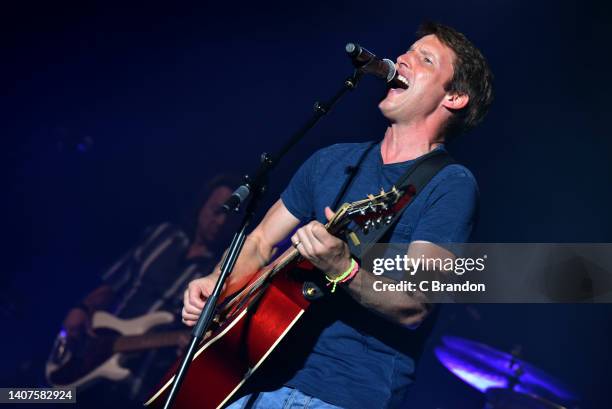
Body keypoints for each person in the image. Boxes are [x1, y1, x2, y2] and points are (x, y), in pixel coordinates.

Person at [182, 22, 493, 409]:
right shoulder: (333, 160)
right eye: (407, 52)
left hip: (342, 394)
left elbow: (417, 306)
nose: (402, 60)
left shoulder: (450, 184)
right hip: (251, 375)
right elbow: (261, 242)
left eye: (424, 59)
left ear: (456, 97)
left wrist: (343, 268)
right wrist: (217, 285)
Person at [58, 174, 239, 405]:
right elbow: (113, 283)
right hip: (89, 351)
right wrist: (82, 309)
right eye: (217, 210)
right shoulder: (162, 236)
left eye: (230, 217)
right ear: (201, 205)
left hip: (138, 385)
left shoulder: (220, 274)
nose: (221, 221)